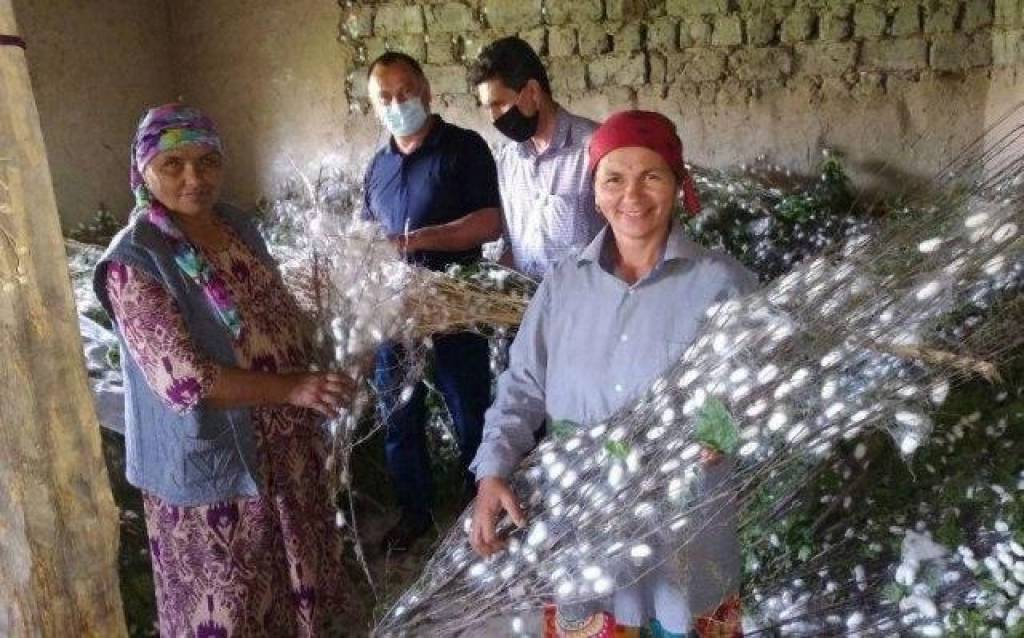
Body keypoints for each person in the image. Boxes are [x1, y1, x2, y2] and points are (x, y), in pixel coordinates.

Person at [469, 111, 755, 637]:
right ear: (595, 192)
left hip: (682, 527)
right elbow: (522, 386)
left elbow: (758, 387)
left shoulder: (721, 284)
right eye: (614, 179)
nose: (632, 195)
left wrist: (726, 426)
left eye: (651, 176)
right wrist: (492, 472)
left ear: (677, 183)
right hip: (582, 523)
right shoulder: (562, 286)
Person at [93, 104, 351, 636]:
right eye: (174, 164)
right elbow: (184, 380)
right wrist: (292, 387)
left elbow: (275, 312)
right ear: (143, 169)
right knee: (232, 605)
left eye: (207, 161)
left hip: (285, 452)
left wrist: (339, 343)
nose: (194, 178)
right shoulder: (135, 261)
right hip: (216, 472)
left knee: (293, 592)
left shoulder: (237, 226)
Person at [362, 51, 502, 551]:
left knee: (469, 409)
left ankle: (478, 506)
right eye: (385, 98)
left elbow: (489, 223)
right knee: (398, 415)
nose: (397, 104)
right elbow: (368, 235)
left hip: (453, 306)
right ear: (375, 107)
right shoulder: (378, 166)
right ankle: (414, 512)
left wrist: (414, 240)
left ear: (425, 92)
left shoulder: (463, 149)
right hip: (395, 312)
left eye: (405, 92)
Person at [469, 36, 605, 280]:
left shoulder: (594, 148)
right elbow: (514, 246)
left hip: (585, 299)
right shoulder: (508, 161)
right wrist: (488, 283)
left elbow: (622, 242)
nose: (493, 118)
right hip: (529, 301)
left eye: (499, 104)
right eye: (488, 107)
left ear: (532, 92)